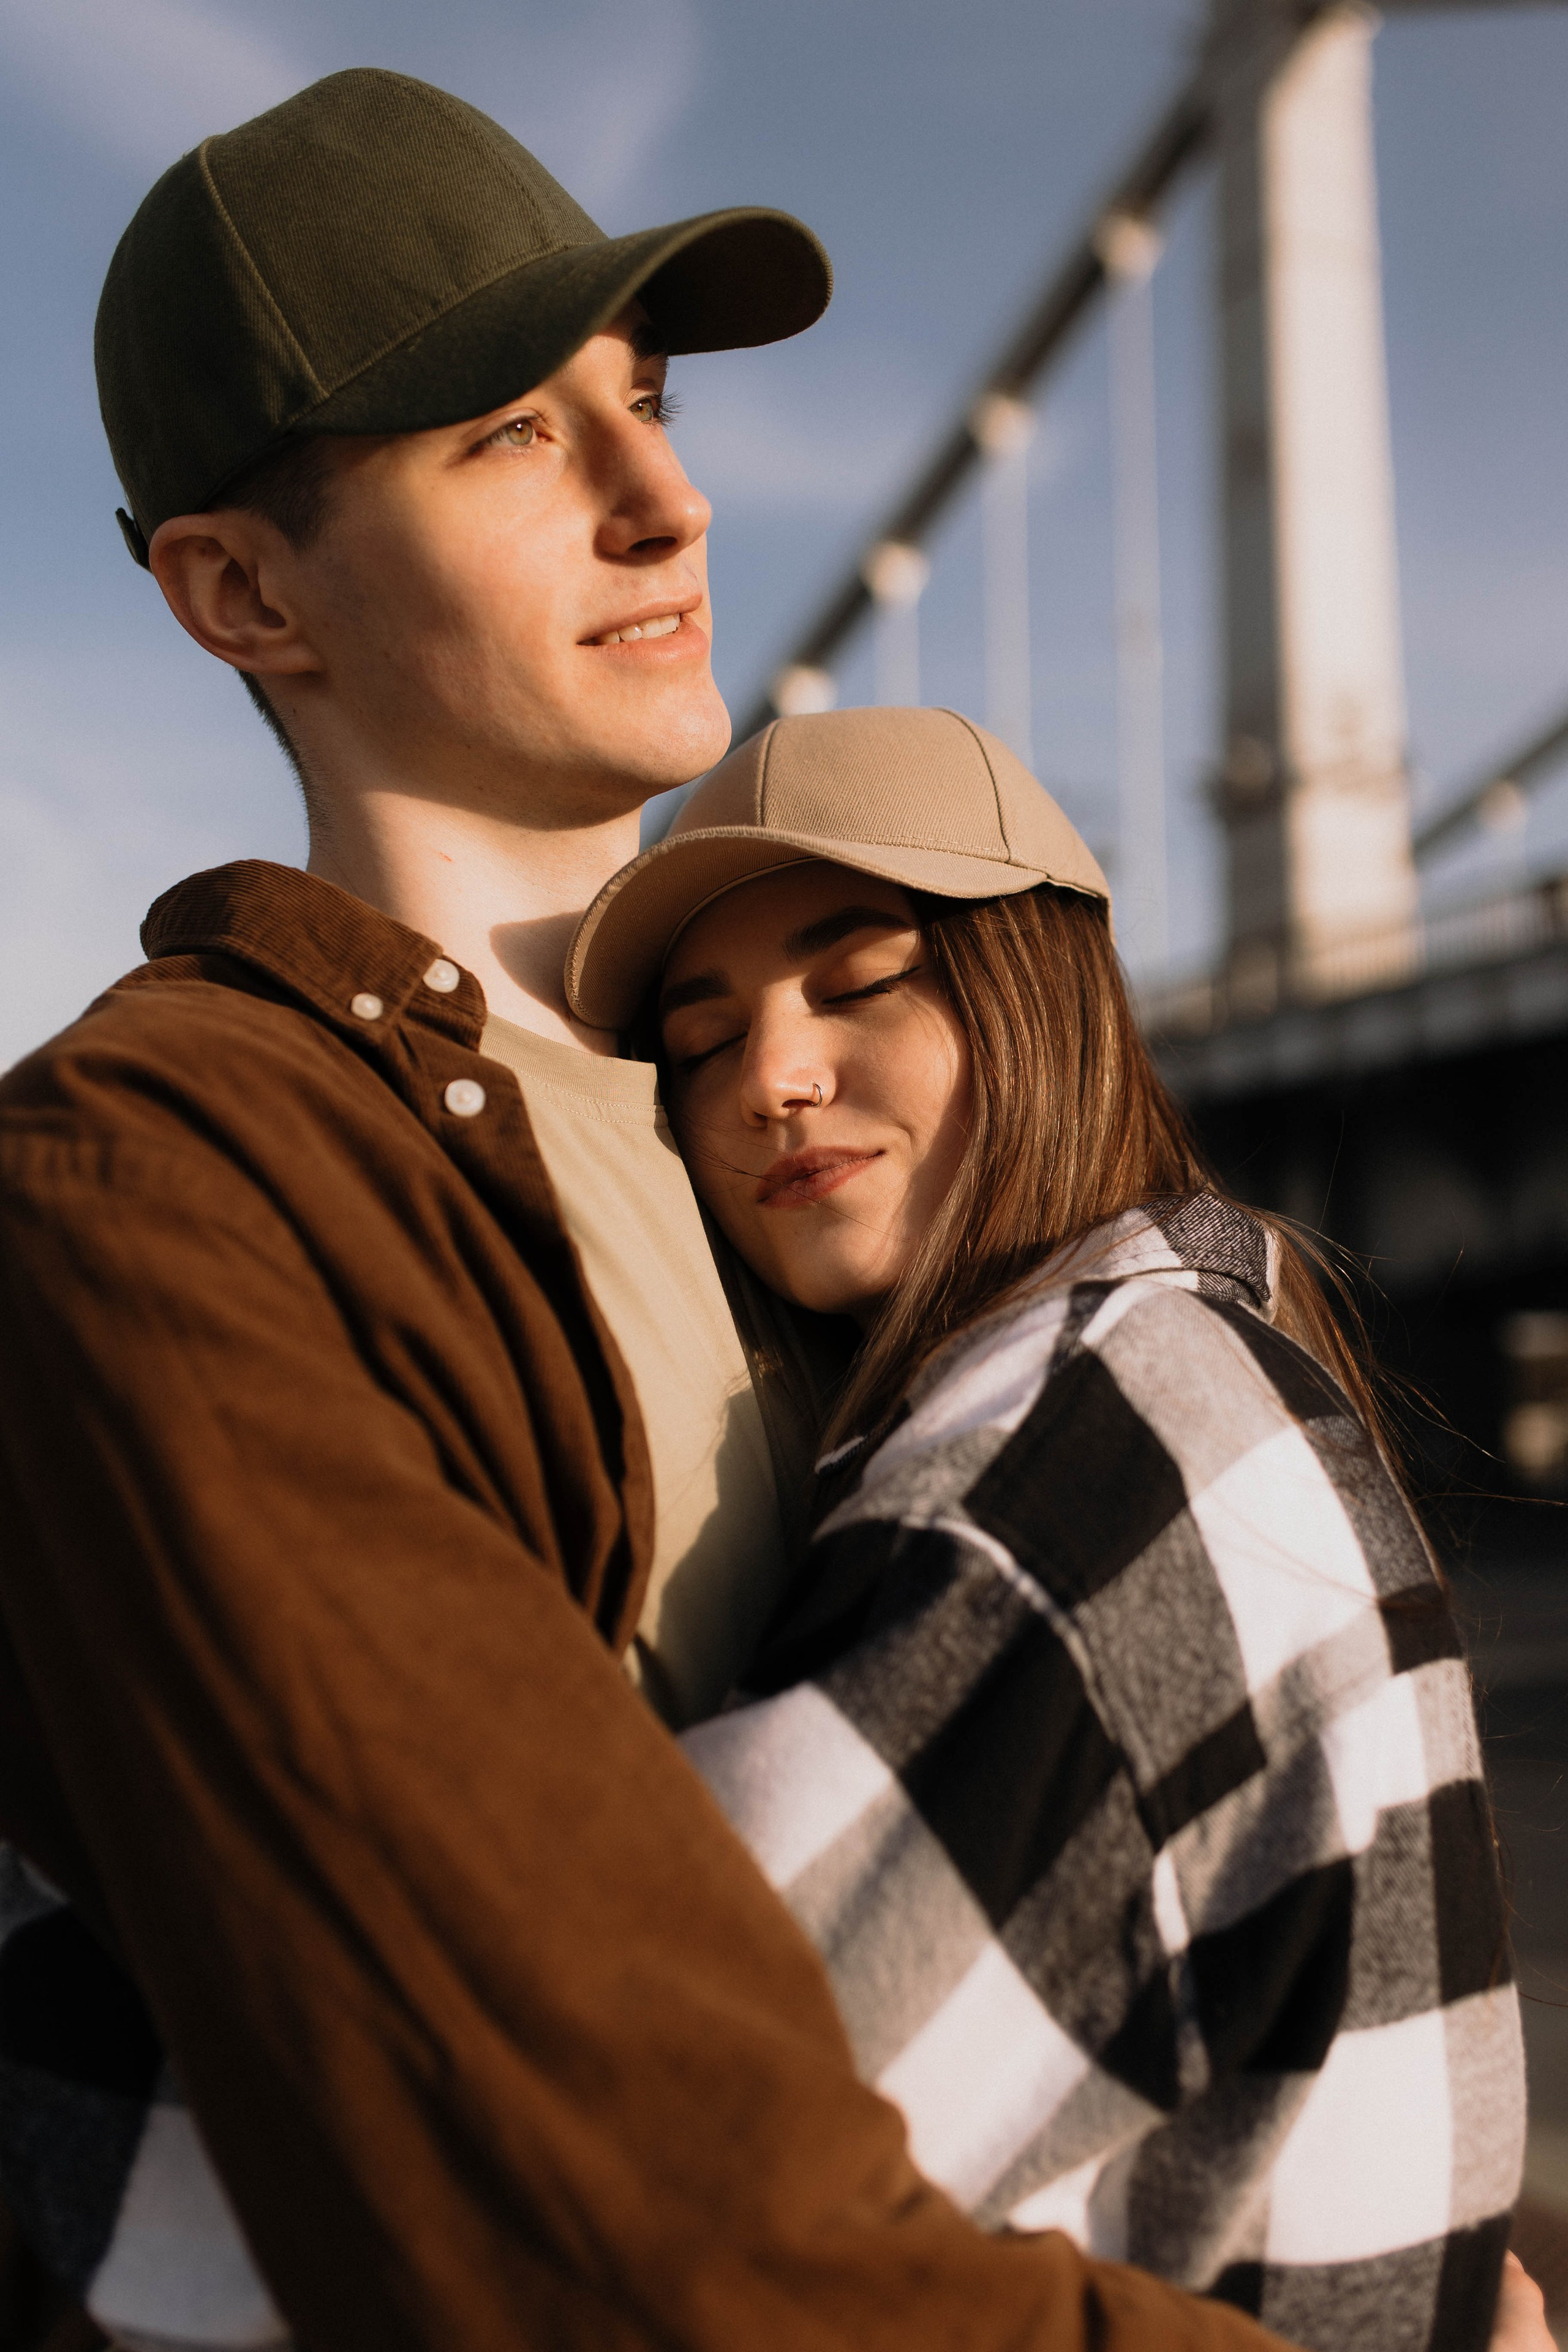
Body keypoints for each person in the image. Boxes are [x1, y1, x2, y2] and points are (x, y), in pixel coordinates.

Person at [0, 61, 1306, 2352]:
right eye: (514, 435)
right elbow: (581, 2212)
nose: (669, 501)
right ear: (239, 588)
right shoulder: (167, 1186)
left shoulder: (815, 1156)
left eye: (648, 399)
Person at [563, 704, 1531, 2352]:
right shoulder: (1205, 1354)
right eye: (704, 1041)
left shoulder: (1060, 1476)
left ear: (1042, 992)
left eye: (862, 981)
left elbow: (624, 2159)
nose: (773, 1080)